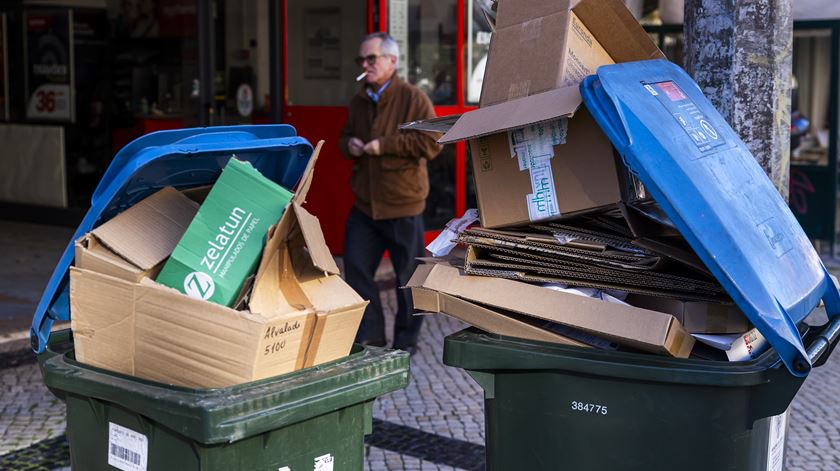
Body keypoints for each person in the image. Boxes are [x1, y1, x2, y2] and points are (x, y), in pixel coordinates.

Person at [339, 32, 442, 355]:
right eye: (361, 60)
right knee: (355, 269)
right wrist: (351, 145)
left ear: (392, 61)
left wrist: (385, 145)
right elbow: (344, 137)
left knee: (408, 279)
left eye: (372, 58)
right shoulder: (358, 101)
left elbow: (432, 142)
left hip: (402, 204)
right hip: (366, 205)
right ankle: (371, 335)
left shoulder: (413, 98)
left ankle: (406, 341)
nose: (365, 65)